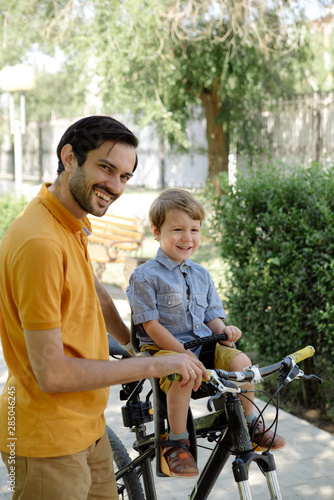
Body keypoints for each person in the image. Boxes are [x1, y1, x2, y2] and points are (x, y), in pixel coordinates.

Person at [0, 116, 208, 500]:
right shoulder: (40, 243)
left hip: (88, 427)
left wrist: (136, 344)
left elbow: (97, 293)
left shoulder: (69, 223)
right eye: (106, 168)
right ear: (69, 157)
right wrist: (156, 364)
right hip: (48, 439)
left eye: (125, 176)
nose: (115, 186)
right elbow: (54, 375)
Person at [126, 188, 286, 478]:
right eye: (177, 229)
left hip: (203, 344)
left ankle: (251, 423)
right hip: (164, 348)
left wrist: (224, 330)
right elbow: (151, 326)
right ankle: (176, 442)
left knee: (242, 363)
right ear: (156, 230)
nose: (187, 238)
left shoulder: (201, 274)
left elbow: (211, 316)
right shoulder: (145, 276)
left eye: (194, 230)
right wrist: (182, 353)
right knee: (183, 372)